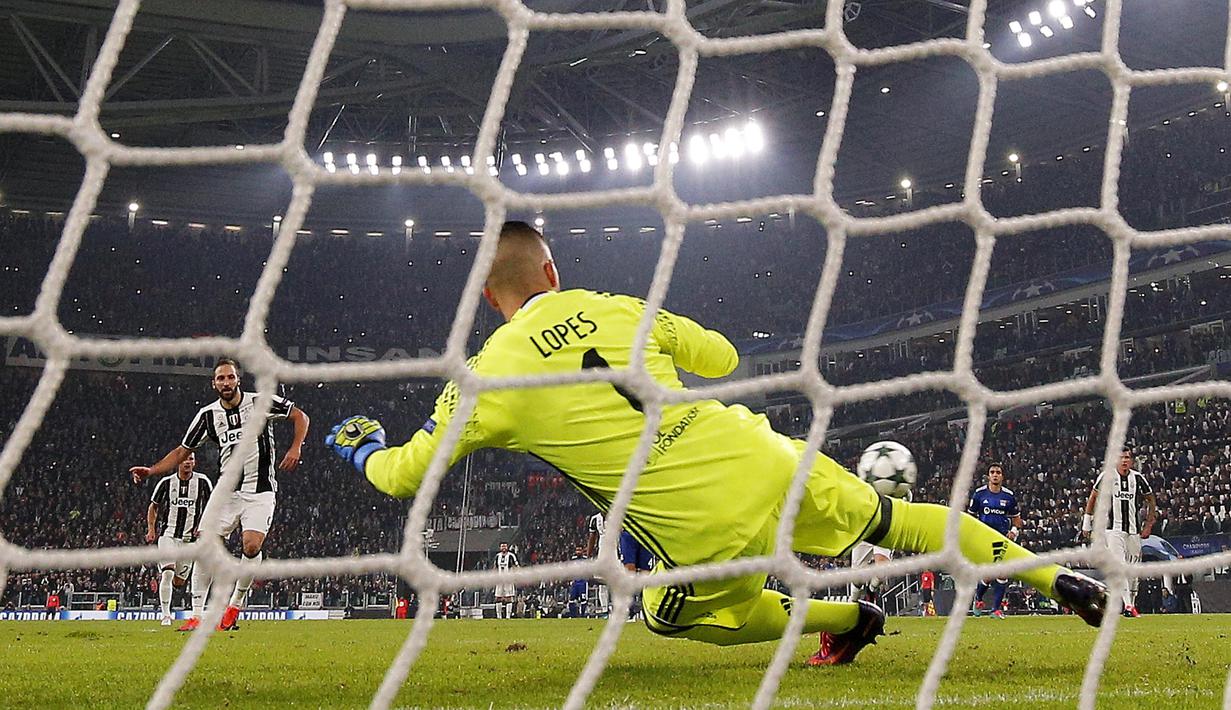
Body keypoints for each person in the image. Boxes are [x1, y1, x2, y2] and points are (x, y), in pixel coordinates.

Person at [327, 221, 1107, 666]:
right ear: (552, 269)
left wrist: (362, 445)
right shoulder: (617, 305)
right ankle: (1054, 578)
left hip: (696, 524)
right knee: (894, 522)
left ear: (487, 299)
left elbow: (402, 478)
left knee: (664, 617)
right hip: (758, 452)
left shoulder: (483, 377)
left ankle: (845, 620)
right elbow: (724, 359)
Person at [130, 358, 310, 631]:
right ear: (214, 384)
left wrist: (296, 447)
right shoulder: (207, 416)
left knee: (251, 546)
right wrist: (152, 471)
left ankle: (234, 606)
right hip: (226, 491)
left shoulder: (260, 402)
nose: (226, 382)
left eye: (230, 377)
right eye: (220, 379)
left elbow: (300, 416)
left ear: (238, 379)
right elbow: (182, 452)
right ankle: (196, 615)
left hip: (260, 490)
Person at [1080, 450, 1157, 618]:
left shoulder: (1137, 478)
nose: (1124, 461)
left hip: (1133, 531)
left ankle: (1132, 604)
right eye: (1121, 458)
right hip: (1113, 530)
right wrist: (1087, 523)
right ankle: (1128, 606)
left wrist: (1149, 524)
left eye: (1127, 458)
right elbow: (1093, 498)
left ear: (1132, 461)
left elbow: (1151, 499)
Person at [146, 451, 213, 626]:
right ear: (178, 463)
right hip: (168, 536)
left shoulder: (203, 482)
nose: (187, 462)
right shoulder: (166, 483)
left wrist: (205, 526)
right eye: (184, 459)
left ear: (195, 462)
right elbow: (153, 507)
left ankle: (176, 592)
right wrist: (151, 529)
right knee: (167, 572)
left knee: (179, 582)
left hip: (189, 541)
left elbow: (214, 505)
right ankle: (166, 615)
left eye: (191, 459)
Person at [968, 463, 1024, 619]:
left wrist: (1014, 531)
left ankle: (995, 609)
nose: (995, 475)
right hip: (983, 538)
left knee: (1002, 574)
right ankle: (978, 599)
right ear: (988, 476)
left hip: (1002, 538)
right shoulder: (979, 495)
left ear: (1002, 476)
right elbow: (970, 517)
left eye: (998, 472)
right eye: (992, 472)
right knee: (988, 575)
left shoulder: (1008, 496)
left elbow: (1017, 519)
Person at [586, 511, 610, 616]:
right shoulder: (595, 519)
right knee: (602, 583)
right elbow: (592, 538)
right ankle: (605, 610)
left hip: (617, 552)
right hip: (602, 554)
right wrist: (588, 555)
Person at [493, 542, 519, 619]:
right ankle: (499, 616)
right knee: (498, 597)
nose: (503, 547)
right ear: (500, 548)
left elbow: (516, 566)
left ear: (507, 547)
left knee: (509, 597)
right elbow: (495, 567)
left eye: (505, 546)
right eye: (502, 546)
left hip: (508, 579)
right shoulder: (497, 556)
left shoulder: (511, 556)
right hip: (499, 579)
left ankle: (508, 616)